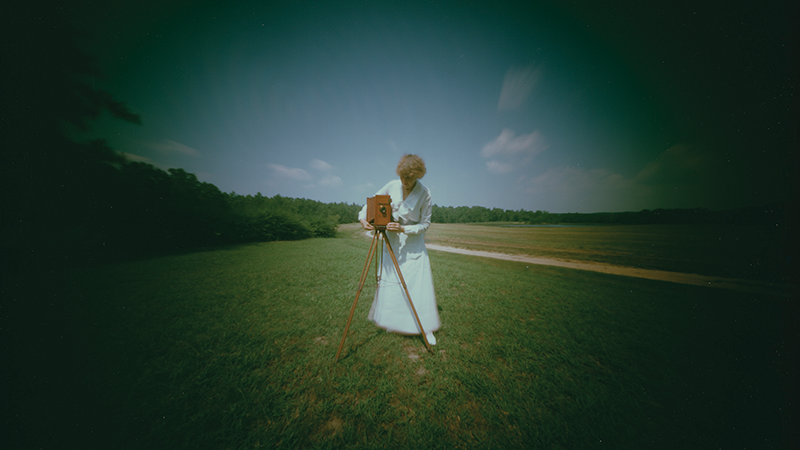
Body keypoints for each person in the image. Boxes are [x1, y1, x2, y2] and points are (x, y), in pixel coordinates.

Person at [358, 154, 440, 345]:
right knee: (392, 282)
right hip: (392, 242)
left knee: (417, 286)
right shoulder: (391, 185)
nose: (405, 182)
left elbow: (425, 224)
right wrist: (363, 219)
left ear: (418, 176)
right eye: (402, 177)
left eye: (409, 178)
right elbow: (370, 203)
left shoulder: (425, 193)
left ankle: (425, 327)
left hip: (413, 245)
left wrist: (404, 228)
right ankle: (393, 322)